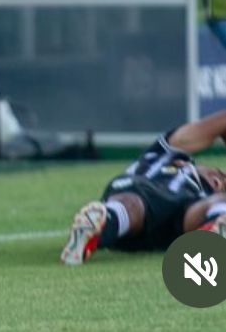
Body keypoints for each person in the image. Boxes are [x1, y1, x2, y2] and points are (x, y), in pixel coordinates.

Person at [61, 110, 226, 265]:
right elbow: (218, 123)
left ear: (216, 183)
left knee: (208, 206)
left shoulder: (204, 193)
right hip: (142, 194)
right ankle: (103, 220)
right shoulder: (165, 154)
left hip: (171, 221)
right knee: (134, 204)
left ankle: (216, 227)